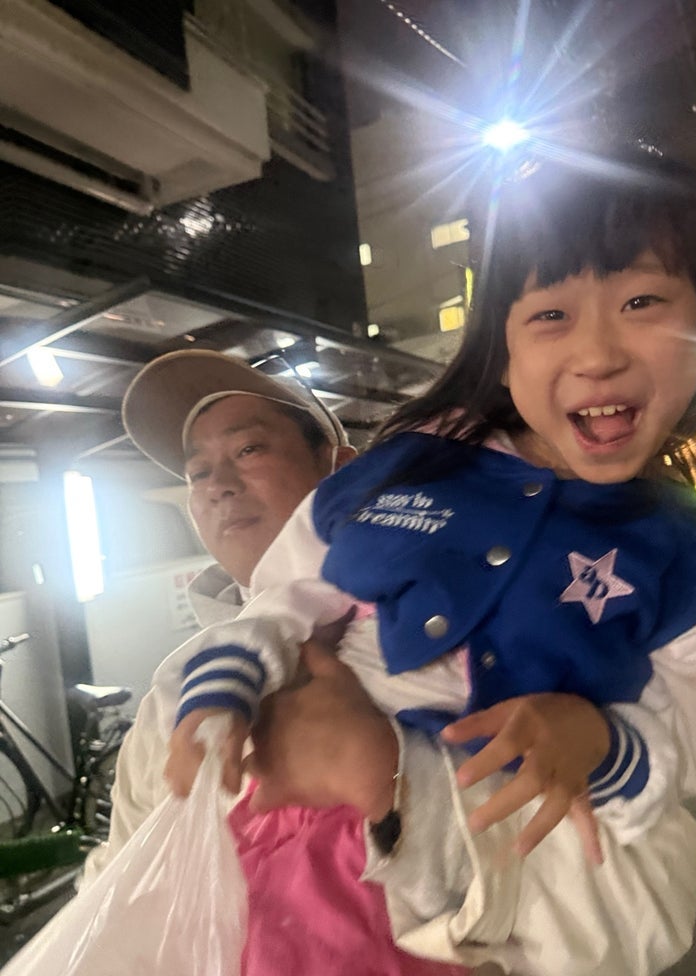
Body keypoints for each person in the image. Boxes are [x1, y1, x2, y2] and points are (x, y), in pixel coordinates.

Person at [160, 150, 696, 975]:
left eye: (642, 301)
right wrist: (219, 694)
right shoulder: (407, 466)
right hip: (280, 857)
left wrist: (596, 739)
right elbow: (281, 600)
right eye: (550, 314)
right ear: (502, 352)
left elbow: (682, 747)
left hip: (489, 885)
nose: (597, 352)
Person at [83, 348, 467, 976]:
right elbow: (121, 874)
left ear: (339, 469)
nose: (218, 484)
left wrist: (401, 786)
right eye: (197, 471)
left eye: (248, 449)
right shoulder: (173, 696)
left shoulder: (446, 628)